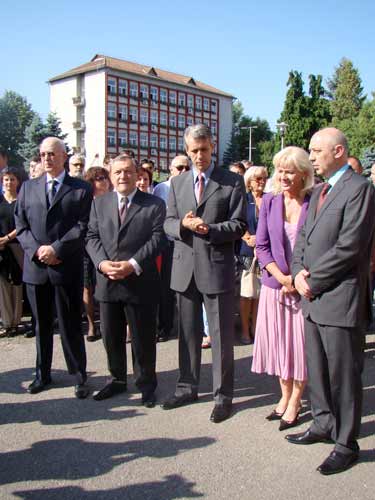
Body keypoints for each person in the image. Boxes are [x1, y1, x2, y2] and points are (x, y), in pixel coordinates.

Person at [287, 128, 375, 475]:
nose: (311, 157)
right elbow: (303, 239)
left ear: (338, 151)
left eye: (316, 151)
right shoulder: (319, 190)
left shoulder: (360, 189)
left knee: (344, 377)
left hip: (339, 299)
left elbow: (351, 246)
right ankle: (323, 424)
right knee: (319, 371)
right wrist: (296, 274)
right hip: (313, 298)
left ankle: (346, 443)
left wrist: (313, 281)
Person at [162, 124, 247, 423]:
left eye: (204, 149)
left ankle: (223, 396)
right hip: (185, 269)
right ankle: (187, 387)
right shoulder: (177, 183)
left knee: (221, 337)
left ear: (213, 148)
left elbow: (239, 225)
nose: (199, 155)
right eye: (194, 150)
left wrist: (208, 230)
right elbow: (168, 223)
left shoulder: (232, 182)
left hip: (216, 267)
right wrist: (182, 226)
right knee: (187, 333)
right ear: (187, 150)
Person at [86, 155, 167, 406]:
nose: (123, 176)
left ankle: (146, 385)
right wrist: (102, 263)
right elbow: (91, 236)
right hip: (108, 281)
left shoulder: (154, 204)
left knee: (143, 339)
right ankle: (117, 379)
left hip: (140, 282)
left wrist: (132, 265)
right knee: (111, 337)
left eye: (128, 172)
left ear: (136, 174)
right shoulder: (100, 203)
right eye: (118, 172)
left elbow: (158, 238)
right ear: (111, 176)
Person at [14, 137, 92, 399]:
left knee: (70, 324)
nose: (47, 158)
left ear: (64, 156)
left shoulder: (80, 188)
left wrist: (56, 249)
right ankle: (42, 374)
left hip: (64, 266)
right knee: (42, 326)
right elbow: (21, 226)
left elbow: (83, 225)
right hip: (36, 268)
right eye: (43, 154)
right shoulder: (28, 188)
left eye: (52, 154)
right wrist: (38, 250)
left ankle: (79, 375)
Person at [252, 147, 313, 431]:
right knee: (279, 346)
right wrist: (281, 277)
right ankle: (284, 395)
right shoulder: (270, 202)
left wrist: (298, 279)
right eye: (280, 170)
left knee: (298, 348)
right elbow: (261, 246)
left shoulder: (316, 202)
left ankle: (297, 400)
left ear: (303, 173)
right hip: (275, 287)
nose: (283, 176)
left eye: (290, 171)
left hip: (304, 288)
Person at [153, 155, 190, 343]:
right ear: (171, 169)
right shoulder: (161, 189)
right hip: (166, 244)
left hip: (185, 243)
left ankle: (187, 327)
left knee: (185, 289)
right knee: (165, 288)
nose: (183, 171)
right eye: (179, 168)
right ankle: (165, 327)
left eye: (186, 167)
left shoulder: (192, 186)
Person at [239, 166, 268, 344]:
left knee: (259, 294)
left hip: (265, 252)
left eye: (264, 178)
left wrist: (261, 238)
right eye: (258, 179)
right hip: (247, 252)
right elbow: (237, 222)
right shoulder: (243, 199)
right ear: (249, 181)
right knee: (247, 293)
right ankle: (244, 330)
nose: (262, 182)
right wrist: (247, 237)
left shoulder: (270, 199)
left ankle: (256, 328)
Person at [83, 167, 112, 342]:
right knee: (87, 287)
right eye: (98, 178)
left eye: (104, 177)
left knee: (106, 287)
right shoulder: (85, 202)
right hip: (88, 249)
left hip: (109, 249)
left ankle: (106, 323)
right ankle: (92, 325)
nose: (103, 181)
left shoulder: (114, 200)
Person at [0, 168, 24, 337]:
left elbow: (23, 224)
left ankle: (16, 322)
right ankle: (7, 322)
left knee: (17, 283)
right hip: (0, 247)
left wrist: (7, 238)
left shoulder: (21, 201)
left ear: (18, 182)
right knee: (2, 284)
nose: (9, 183)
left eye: (12, 179)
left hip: (16, 245)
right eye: (6, 180)